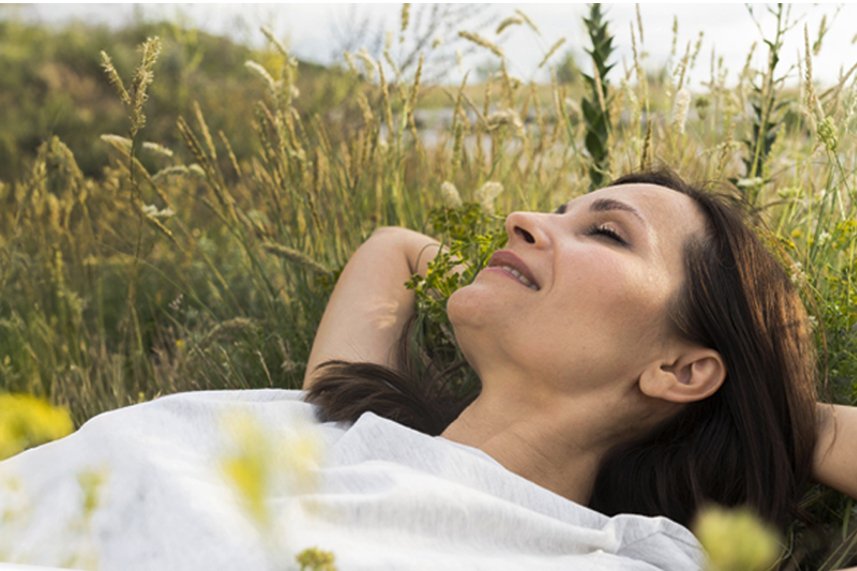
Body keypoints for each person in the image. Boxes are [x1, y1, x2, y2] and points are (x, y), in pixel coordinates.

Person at [0, 170, 854, 570]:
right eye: (553, 208)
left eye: (605, 230)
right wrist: (521, 269)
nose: (523, 215)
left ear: (680, 367)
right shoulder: (338, 414)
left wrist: (785, 416)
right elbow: (394, 252)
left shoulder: (611, 555)